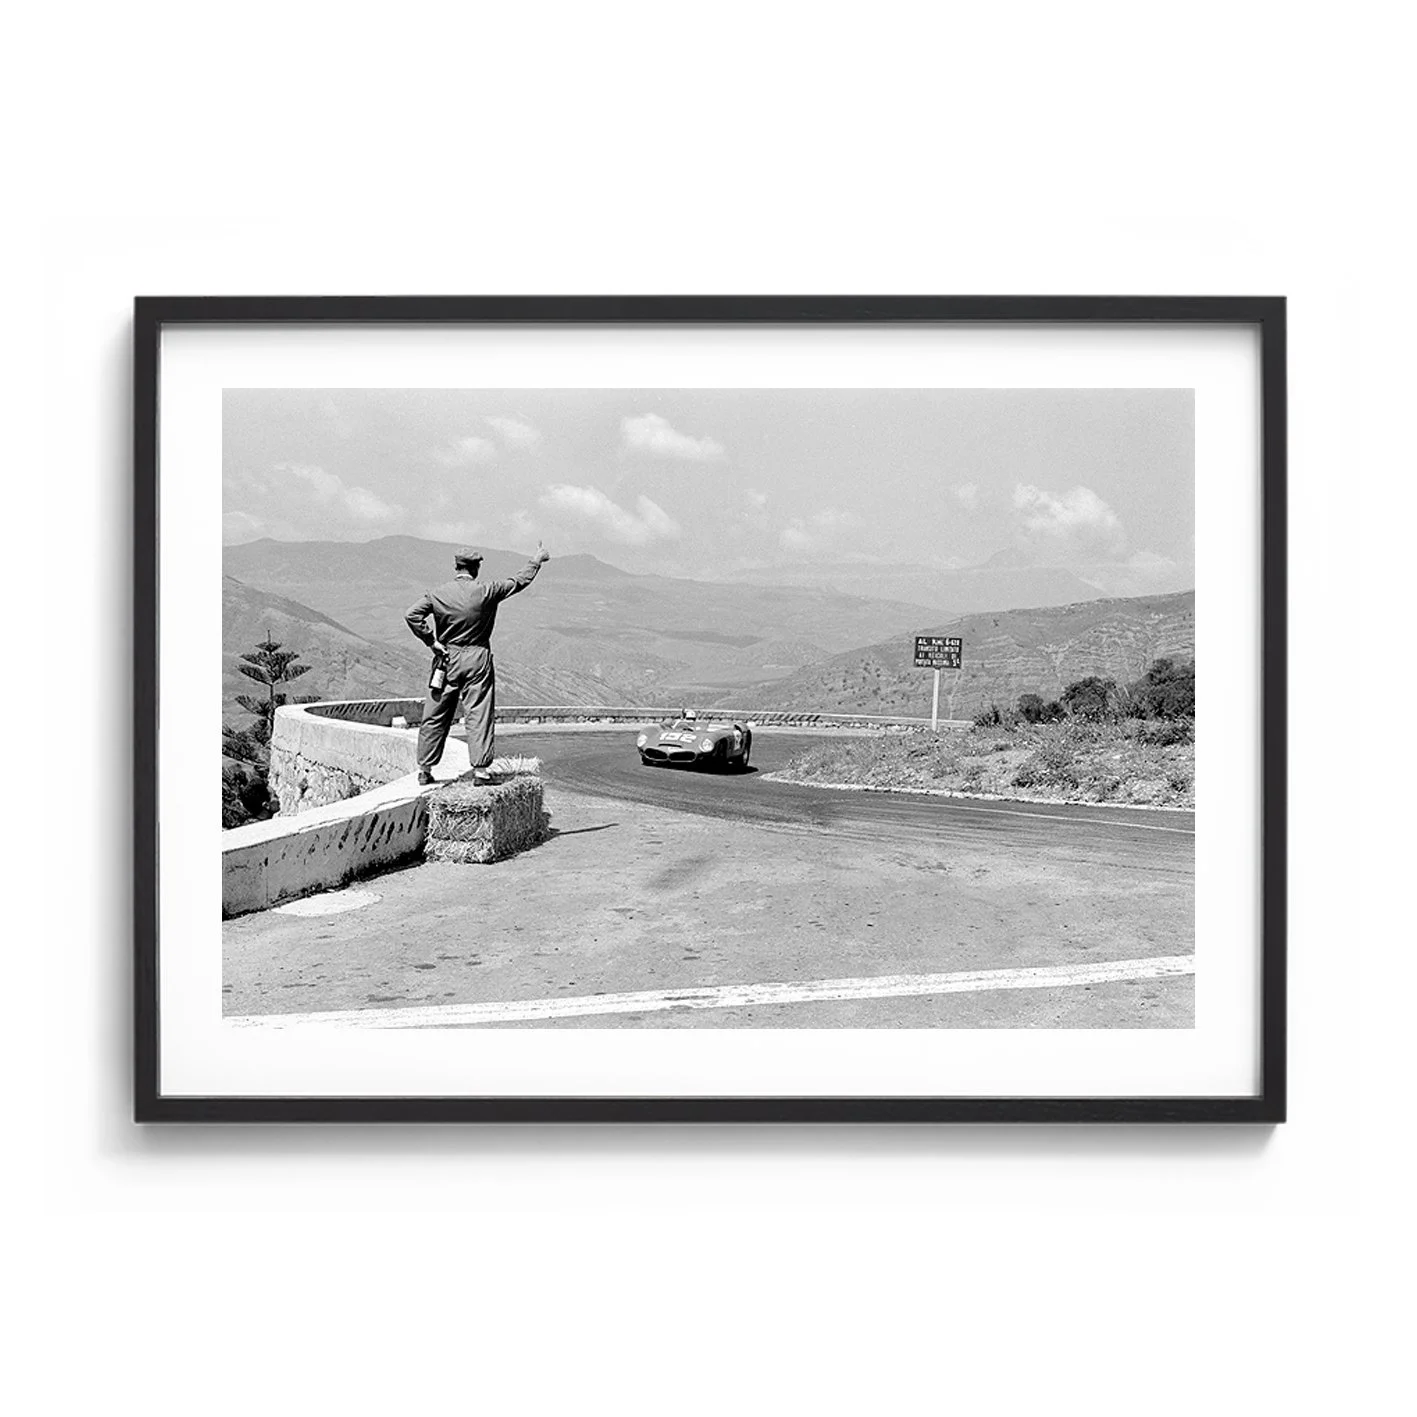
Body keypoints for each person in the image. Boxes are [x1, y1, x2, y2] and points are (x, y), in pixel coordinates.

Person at [404, 543, 550, 786]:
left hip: (446, 657)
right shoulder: (487, 591)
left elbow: (412, 615)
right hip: (477, 657)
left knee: (435, 713)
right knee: (479, 712)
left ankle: (425, 769)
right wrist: (536, 560)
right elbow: (519, 581)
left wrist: (431, 641)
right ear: (476, 568)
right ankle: (480, 771)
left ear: (456, 567)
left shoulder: (438, 593)